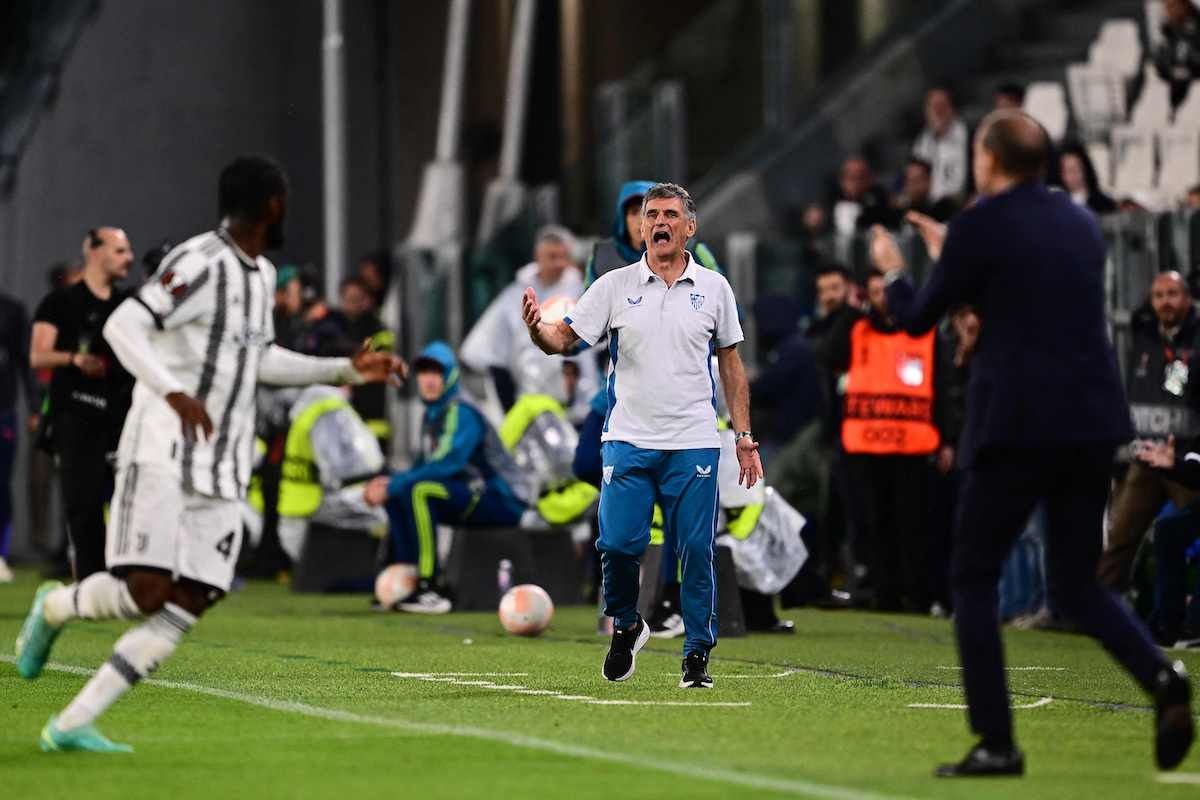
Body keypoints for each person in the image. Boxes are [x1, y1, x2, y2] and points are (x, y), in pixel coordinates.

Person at [13, 155, 406, 753]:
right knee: (146, 593)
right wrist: (171, 390)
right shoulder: (198, 262)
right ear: (272, 203)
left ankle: (71, 723)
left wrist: (347, 364)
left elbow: (261, 361)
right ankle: (58, 605)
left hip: (221, 467)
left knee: (195, 596)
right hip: (162, 450)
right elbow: (123, 326)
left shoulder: (262, 276)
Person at [872, 109, 1194, 776]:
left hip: (1018, 421)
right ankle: (1160, 678)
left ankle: (997, 741)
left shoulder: (979, 225)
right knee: (1077, 584)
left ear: (988, 161)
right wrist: (951, 251)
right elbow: (1022, 285)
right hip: (1092, 421)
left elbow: (913, 318)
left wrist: (897, 267)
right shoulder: (1076, 220)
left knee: (971, 575)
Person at [522, 182, 762, 689]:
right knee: (617, 543)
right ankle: (627, 624)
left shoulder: (715, 289)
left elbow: (732, 365)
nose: (658, 222)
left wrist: (742, 436)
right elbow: (564, 338)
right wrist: (536, 331)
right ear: (639, 227)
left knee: (696, 550)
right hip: (628, 438)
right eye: (650, 214)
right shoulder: (613, 285)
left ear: (689, 227)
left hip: (693, 439)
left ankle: (697, 654)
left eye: (670, 215)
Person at [363, 342, 534, 613]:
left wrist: (395, 483)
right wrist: (388, 484)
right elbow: (423, 465)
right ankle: (406, 578)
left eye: (437, 373)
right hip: (471, 492)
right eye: (424, 373)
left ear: (451, 376)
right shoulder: (432, 414)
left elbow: (447, 463)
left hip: (502, 497)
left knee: (420, 491)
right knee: (400, 489)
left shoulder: (460, 410)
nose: (429, 379)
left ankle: (430, 588)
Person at [30, 227, 136, 580]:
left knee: (128, 500)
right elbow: (38, 355)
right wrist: (75, 359)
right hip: (75, 415)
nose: (129, 258)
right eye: (120, 251)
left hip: (121, 416)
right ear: (94, 251)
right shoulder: (60, 302)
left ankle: (128, 578)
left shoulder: (128, 306)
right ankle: (92, 582)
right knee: (83, 502)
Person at [838, 270, 946, 612]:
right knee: (876, 524)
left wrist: (948, 438)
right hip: (868, 446)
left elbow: (941, 387)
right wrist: (849, 312)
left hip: (912, 446)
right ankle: (885, 593)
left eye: (886, 290)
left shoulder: (925, 333)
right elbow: (827, 356)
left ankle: (917, 595)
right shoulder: (858, 330)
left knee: (913, 525)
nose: (881, 297)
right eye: (875, 291)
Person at [1100, 272, 1200, 591]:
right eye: (1158, 295)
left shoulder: (1196, 339)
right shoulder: (1144, 335)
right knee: (1118, 540)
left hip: (1185, 461)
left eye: (1172, 294)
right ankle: (1097, 612)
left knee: (1187, 535)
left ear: (1187, 298)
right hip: (1144, 457)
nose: (1165, 302)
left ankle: (1184, 619)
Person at [461, 225, 597, 423]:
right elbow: (491, 353)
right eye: (552, 256)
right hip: (529, 411)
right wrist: (509, 410)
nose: (558, 263)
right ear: (538, 256)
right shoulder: (514, 296)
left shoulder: (584, 294)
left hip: (579, 411)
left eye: (562, 256)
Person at [586, 180, 724, 285]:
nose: (641, 220)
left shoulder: (694, 250)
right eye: (634, 212)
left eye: (648, 213)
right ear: (622, 218)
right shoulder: (602, 256)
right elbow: (586, 314)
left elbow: (727, 307)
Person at [0, 290, 36, 582]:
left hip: (3, 411)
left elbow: (25, 361)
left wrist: (35, 408)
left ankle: (0, 554)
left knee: (0, 484)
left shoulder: (11, 310)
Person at [912, 86, 970, 204]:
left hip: (964, 203)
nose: (938, 111)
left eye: (942, 106)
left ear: (952, 108)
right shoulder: (921, 143)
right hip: (932, 207)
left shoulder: (969, 135)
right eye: (933, 107)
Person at [828, 156, 894, 235]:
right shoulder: (830, 203)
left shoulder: (880, 203)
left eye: (861, 177)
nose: (856, 183)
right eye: (851, 178)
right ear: (842, 180)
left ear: (869, 179)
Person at [1154, 0, 1200, 109]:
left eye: (1171, 6)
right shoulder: (1169, 29)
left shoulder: (1192, 27)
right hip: (1175, 76)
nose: (1167, 10)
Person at [1054, 142, 1117, 216]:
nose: (1069, 176)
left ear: (1085, 169)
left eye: (1074, 170)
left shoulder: (1105, 205)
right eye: (1065, 171)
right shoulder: (1056, 206)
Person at [895, 158, 958, 223]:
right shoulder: (900, 213)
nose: (912, 186)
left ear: (929, 181)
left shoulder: (943, 210)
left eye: (917, 180)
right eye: (909, 180)